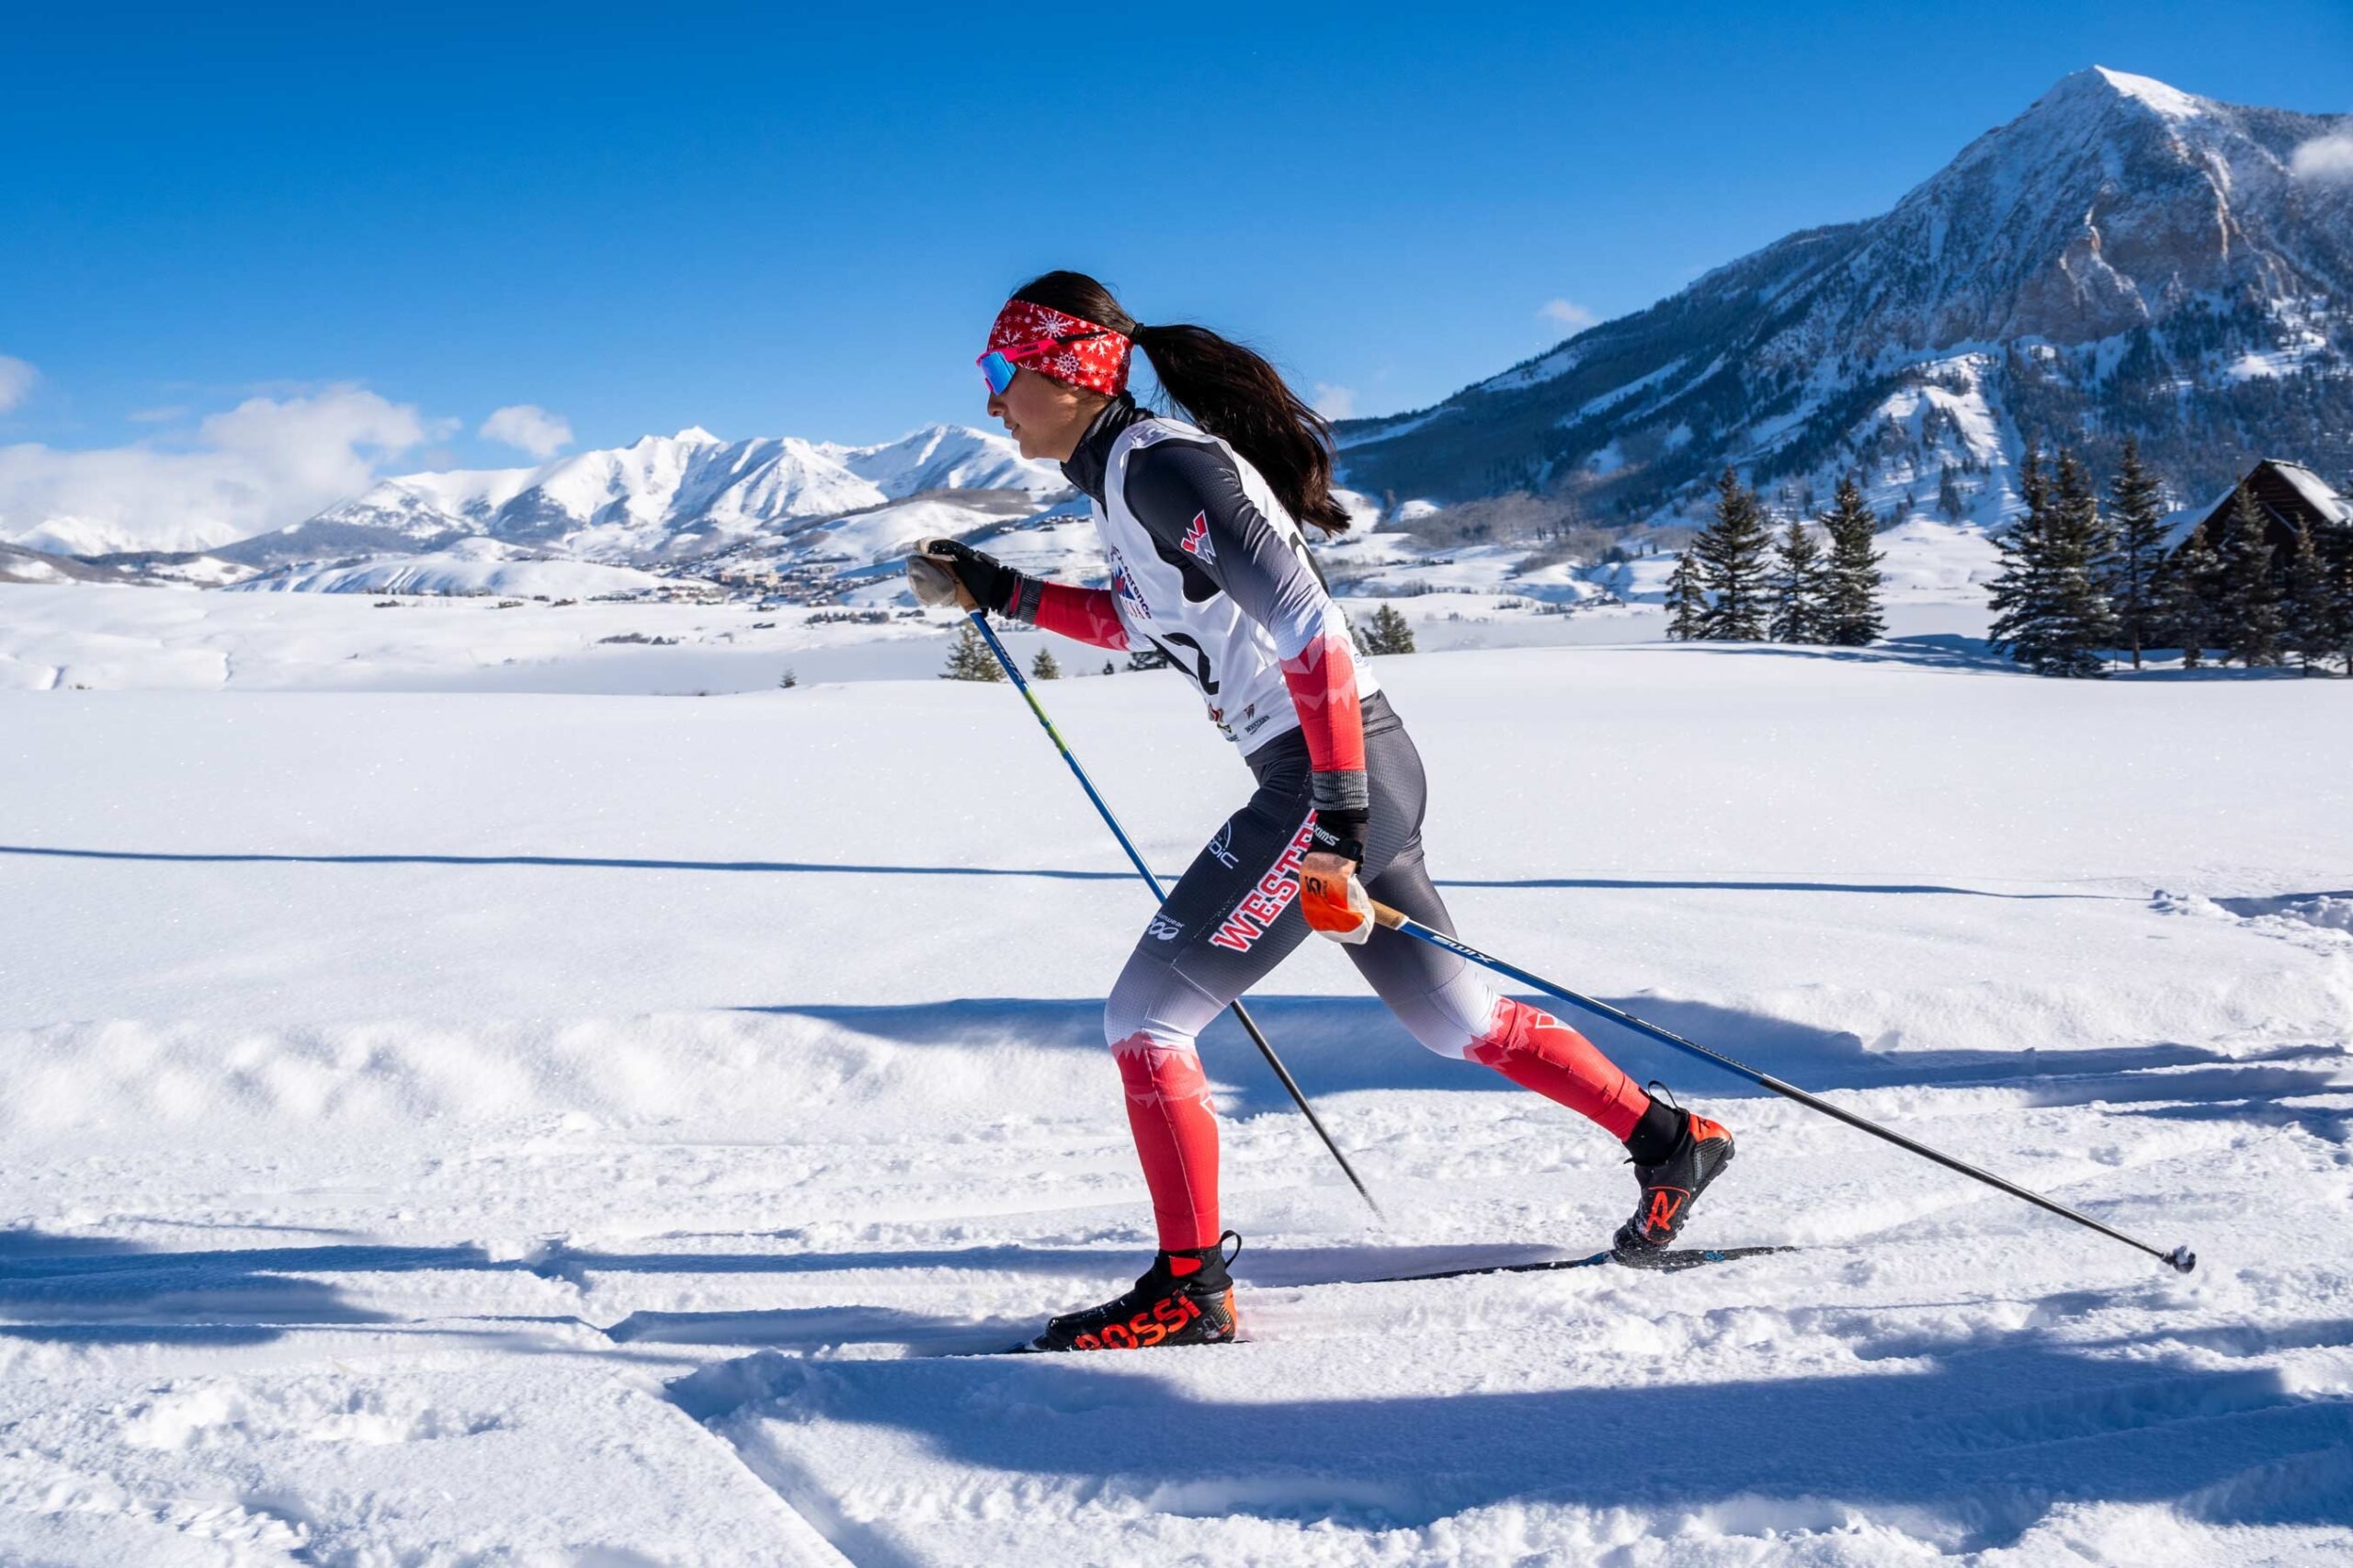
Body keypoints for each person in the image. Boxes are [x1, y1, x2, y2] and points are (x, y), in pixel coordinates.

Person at [906, 272, 1734, 1352]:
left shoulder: (1161, 465)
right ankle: (1673, 1140)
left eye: (999, 372)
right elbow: (1145, 621)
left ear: (1068, 368)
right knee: (1457, 1022)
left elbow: (1310, 628)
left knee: (1146, 1018)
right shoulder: (1123, 474)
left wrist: (1336, 820)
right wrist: (1002, 590)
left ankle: (1188, 1288)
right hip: (1351, 768)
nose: (990, 399)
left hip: (1327, 776)